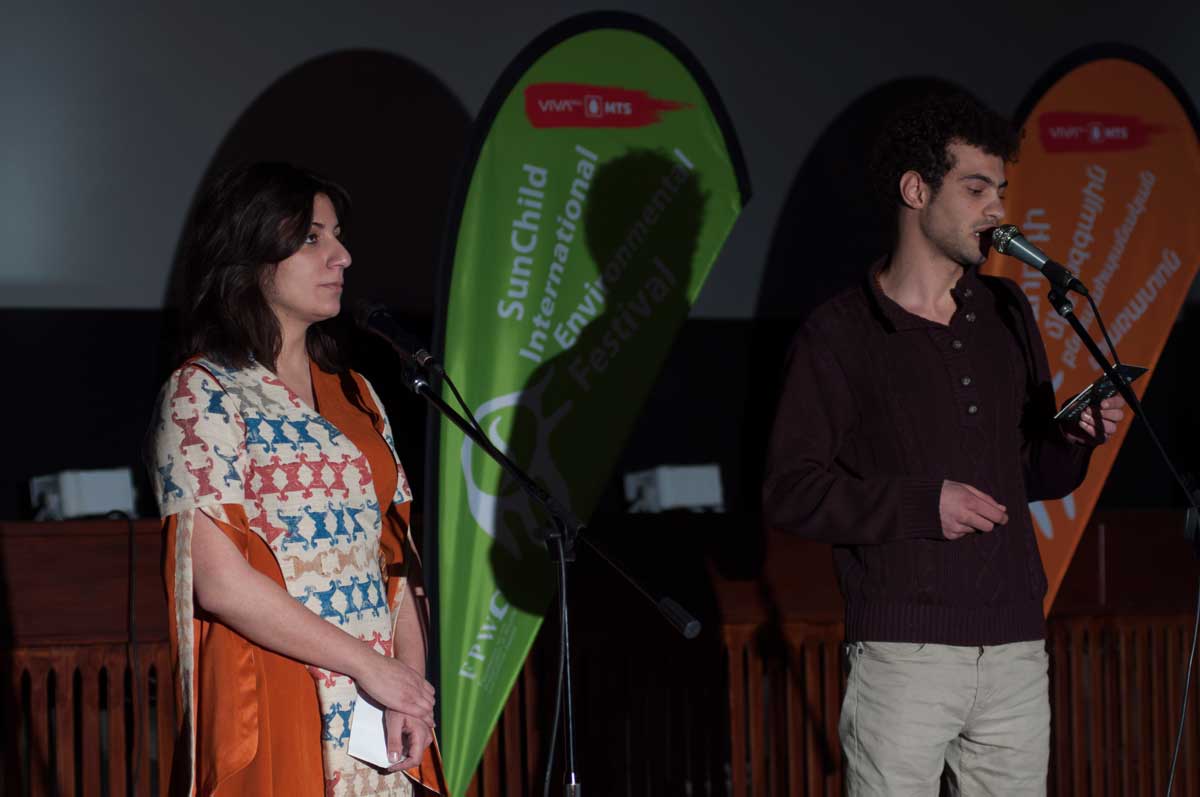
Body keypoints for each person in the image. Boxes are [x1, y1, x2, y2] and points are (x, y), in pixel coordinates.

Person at [762, 89, 1126, 795]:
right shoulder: (841, 333)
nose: (997, 210)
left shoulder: (1006, 310)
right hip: (906, 654)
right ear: (915, 190)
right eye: (976, 188)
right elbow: (791, 489)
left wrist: (1074, 438)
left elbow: (1030, 471)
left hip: (1016, 645)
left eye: (1001, 191)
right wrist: (923, 504)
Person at [149, 162, 440, 796]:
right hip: (281, 693)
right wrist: (371, 667)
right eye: (312, 238)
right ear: (249, 254)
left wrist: (408, 688)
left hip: (378, 712)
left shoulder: (357, 395)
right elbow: (220, 582)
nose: (342, 256)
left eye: (337, 235)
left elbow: (397, 562)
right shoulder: (204, 393)